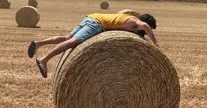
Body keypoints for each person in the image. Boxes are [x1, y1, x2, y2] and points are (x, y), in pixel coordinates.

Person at [28, 13, 162, 78]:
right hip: (96, 25)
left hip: (91, 17)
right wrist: (156, 43)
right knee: (73, 42)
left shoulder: (129, 18)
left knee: (67, 37)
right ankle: (44, 60)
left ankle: (39, 43)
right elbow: (144, 26)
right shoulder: (136, 23)